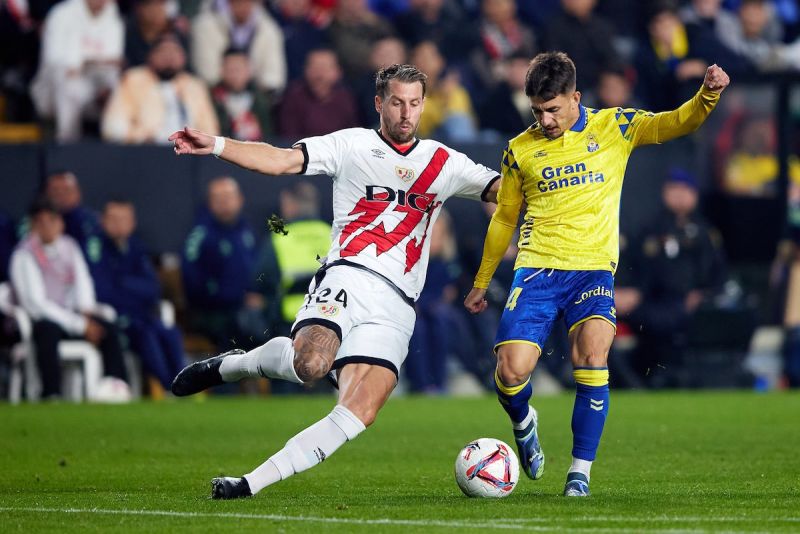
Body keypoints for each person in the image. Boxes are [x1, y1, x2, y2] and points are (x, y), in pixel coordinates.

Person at [168, 63, 500, 499]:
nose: (406, 113)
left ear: (424, 105)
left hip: (399, 302)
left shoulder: (445, 162)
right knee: (310, 364)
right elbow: (281, 160)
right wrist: (216, 144)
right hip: (350, 275)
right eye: (397, 102)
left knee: (360, 410)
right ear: (379, 103)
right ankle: (234, 366)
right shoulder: (351, 145)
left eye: (414, 103)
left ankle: (249, 484)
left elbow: (505, 191)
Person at [464, 51, 729, 497]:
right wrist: (481, 281)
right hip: (537, 270)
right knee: (510, 372)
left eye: (552, 109)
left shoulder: (615, 126)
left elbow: (676, 123)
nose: (545, 120)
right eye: (537, 111)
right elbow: (505, 217)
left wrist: (707, 95)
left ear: (576, 97)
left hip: (592, 272)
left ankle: (579, 474)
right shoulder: (519, 149)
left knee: (592, 357)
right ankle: (523, 421)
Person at [9, 198, 129, 399]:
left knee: (107, 328)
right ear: (33, 225)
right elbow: (36, 304)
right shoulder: (24, 255)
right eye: (41, 222)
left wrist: (86, 311)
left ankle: (115, 386)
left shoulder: (69, 246)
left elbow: (83, 281)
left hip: (73, 317)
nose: (47, 227)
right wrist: (79, 325)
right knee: (47, 331)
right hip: (42, 322)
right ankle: (51, 393)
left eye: (52, 220)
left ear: (60, 223)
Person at [87, 200, 186, 392]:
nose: (119, 225)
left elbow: (153, 289)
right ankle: (169, 386)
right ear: (103, 221)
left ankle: (184, 382)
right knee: (146, 335)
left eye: (124, 219)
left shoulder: (136, 247)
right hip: (114, 319)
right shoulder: (95, 248)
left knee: (171, 333)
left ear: (132, 223)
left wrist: (122, 282)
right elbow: (102, 291)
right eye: (114, 219)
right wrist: (131, 288)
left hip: (142, 315)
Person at [181, 176, 259, 353]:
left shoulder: (247, 232)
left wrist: (256, 294)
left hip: (245, 307)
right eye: (218, 199)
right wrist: (235, 298)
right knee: (242, 331)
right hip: (212, 312)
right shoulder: (200, 236)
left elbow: (257, 271)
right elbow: (192, 282)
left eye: (228, 197)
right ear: (210, 203)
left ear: (240, 200)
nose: (224, 203)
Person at [30, 0, 123, 142]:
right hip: (53, 91)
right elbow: (55, 60)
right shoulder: (62, 14)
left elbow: (113, 60)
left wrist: (87, 62)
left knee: (120, 83)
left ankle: (118, 143)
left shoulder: (113, 15)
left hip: (94, 86)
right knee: (70, 84)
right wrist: (89, 61)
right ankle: (67, 143)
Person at [102, 33, 219, 144]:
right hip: (146, 150)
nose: (169, 56)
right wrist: (144, 136)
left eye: (175, 51)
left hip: (189, 152)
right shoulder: (133, 80)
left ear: (183, 57)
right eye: (163, 51)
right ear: (151, 56)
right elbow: (113, 128)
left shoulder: (195, 86)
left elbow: (211, 132)